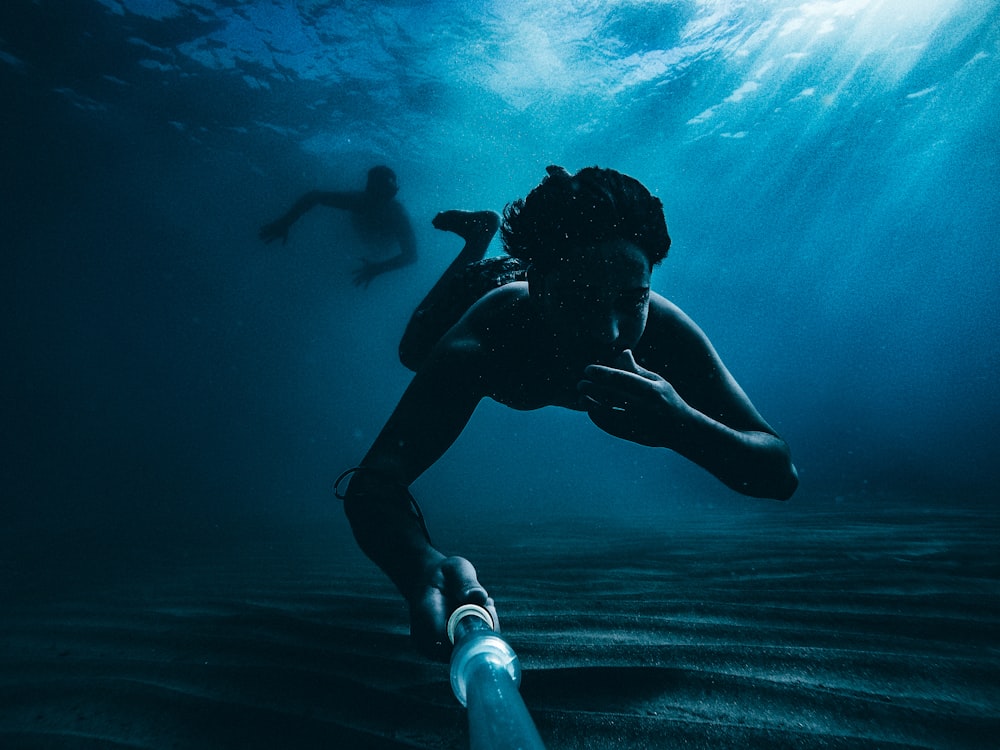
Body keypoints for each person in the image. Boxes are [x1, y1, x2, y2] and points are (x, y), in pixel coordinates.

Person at [338, 165, 798, 661]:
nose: (608, 331)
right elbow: (373, 484)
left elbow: (779, 473)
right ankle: (478, 241)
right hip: (483, 287)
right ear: (538, 284)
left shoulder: (665, 332)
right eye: (581, 299)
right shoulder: (488, 339)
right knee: (412, 351)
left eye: (632, 299)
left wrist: (682, 426)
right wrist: (419, 566)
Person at [259, 165, 417, 288]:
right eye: (378, 193)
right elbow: (314, 196)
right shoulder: (358, 201)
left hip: (382, 247)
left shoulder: (397, 215)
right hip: (367, 239)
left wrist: (378, 268)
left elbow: (411, 255)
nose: (380, 200)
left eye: (387, 193)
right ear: (369, 190)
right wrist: (285, 221)